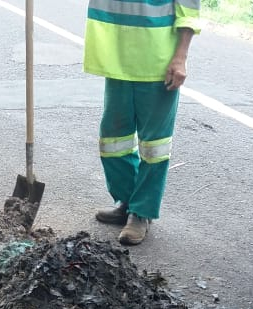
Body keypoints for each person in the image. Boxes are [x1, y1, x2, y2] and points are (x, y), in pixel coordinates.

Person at [83, 0, 201, 245]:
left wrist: (181, 57)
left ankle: (141, 213)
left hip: (158, 63)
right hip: (117, 60)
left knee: (154, 147)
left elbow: (189, 9)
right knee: (113, 141)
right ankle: (128, 202)